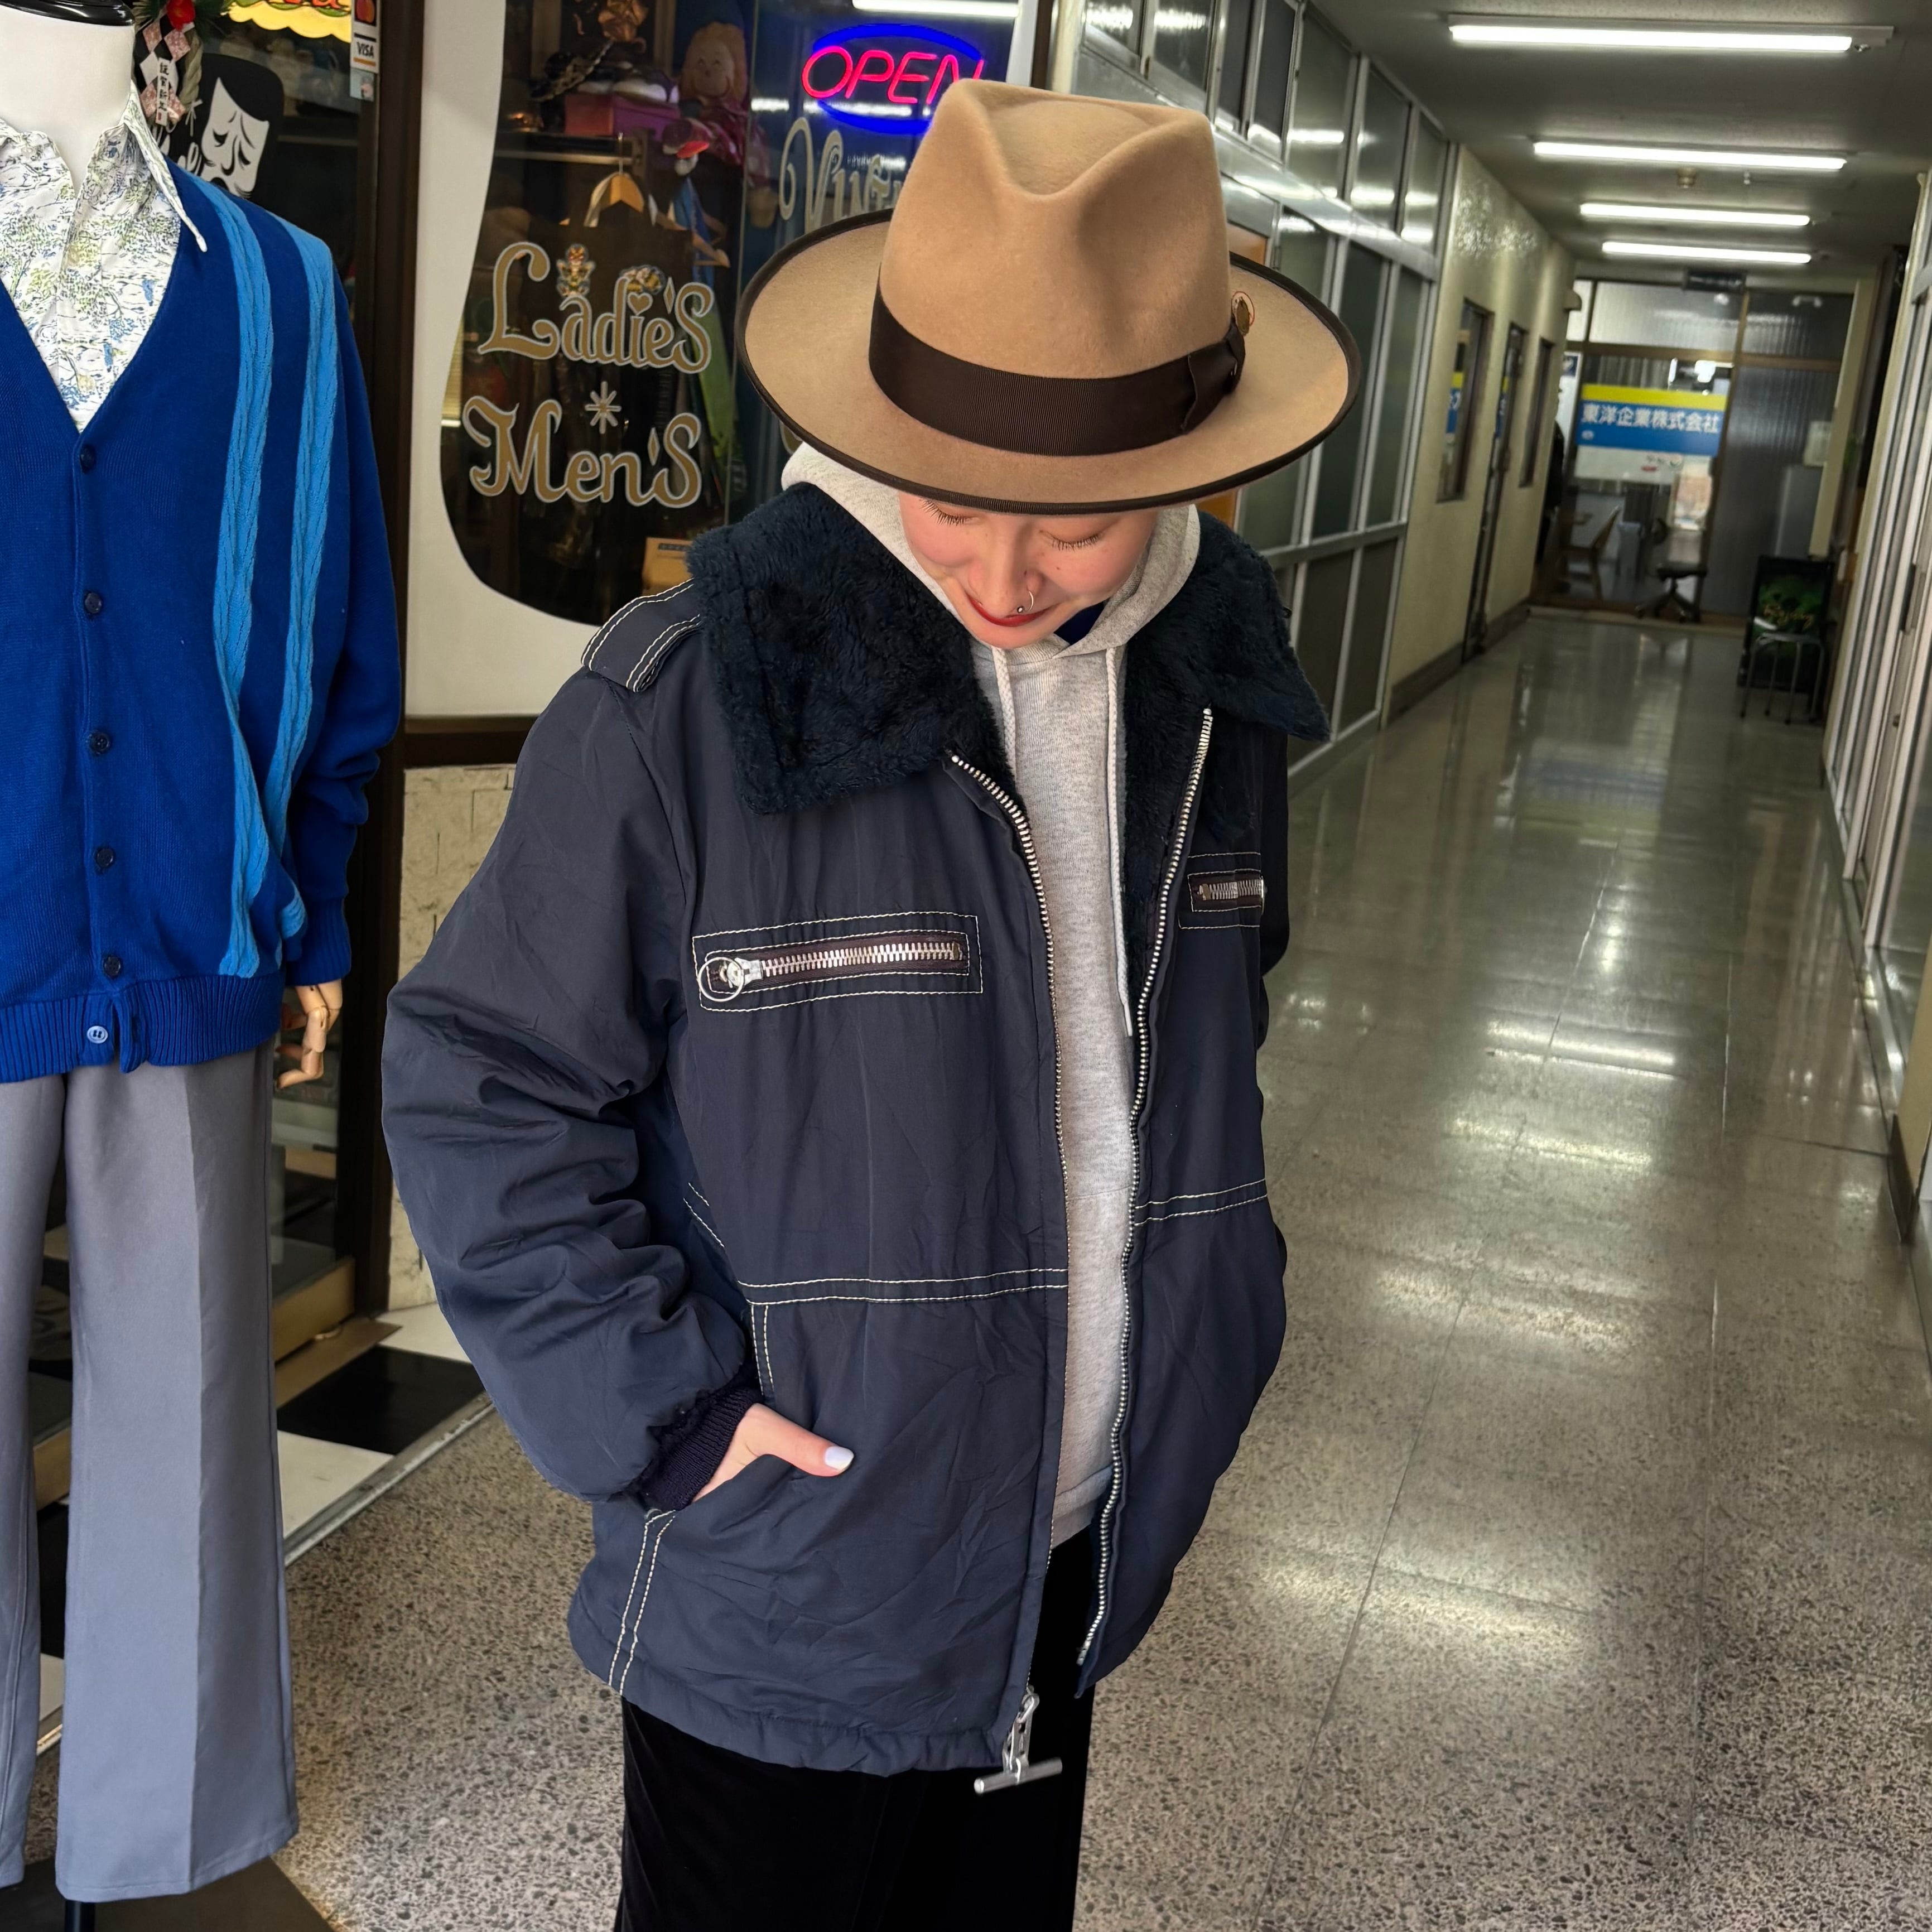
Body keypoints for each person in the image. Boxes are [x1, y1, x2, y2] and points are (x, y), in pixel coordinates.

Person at [382, 80, 1355, 1931]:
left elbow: (1204, 1032)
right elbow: (481, 1074)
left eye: (1076, 525)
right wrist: (667, 1419)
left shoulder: (1220, 684)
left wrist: (1214, 1324)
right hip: (787, 1569)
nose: (1000, 576)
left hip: (1072, 1551)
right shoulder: (692, 696)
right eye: (953, 497)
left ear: (1186, 467)